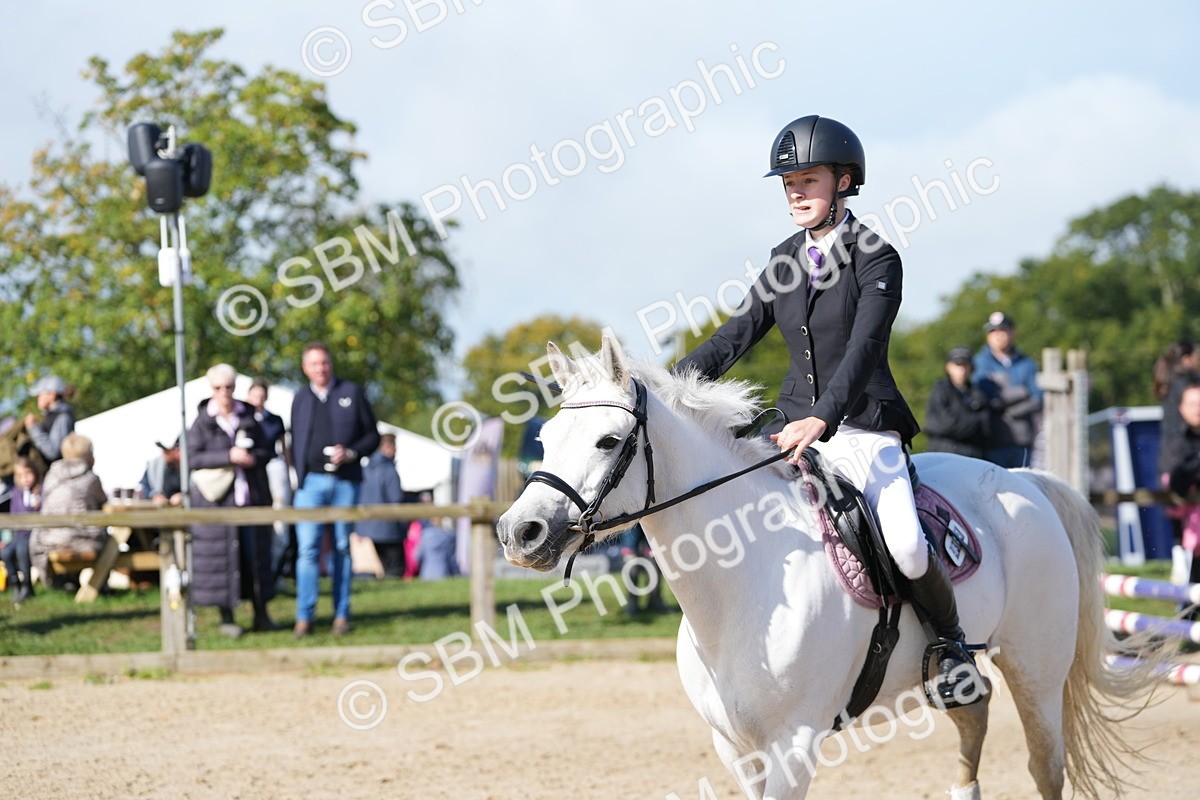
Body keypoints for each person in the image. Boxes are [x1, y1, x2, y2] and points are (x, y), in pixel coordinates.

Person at [673, 114, 983, 706]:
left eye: (808, 179)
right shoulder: (784, 258)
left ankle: (950, 648)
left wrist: (825, 416)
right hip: (793, 430)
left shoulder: (876, 256)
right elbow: (734, 336)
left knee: (908, 544)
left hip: (864, 425)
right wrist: (667, 388)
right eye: (787, 181)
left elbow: (865, 348)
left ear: (843, 181)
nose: (794, 191)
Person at [289, 342, 380, 638]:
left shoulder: (351, 392)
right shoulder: (300, 399)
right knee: (307, 550)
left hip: (345, 482)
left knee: (342, 548)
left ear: (331, 364)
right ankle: (304, 617)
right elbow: (293, 442)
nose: (320, 368)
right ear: (305, 368)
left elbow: (373, 436)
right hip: (310, 484)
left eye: (324, 363)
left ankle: (341, 615)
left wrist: (351, 453)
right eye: (314, 364)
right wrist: (299, 476)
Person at [187, 364, 278, 637]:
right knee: (222, 561)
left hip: (251, 500)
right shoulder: (202, 421)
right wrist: (228, 456)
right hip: (217, 504)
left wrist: (253, 458)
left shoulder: (249, 417)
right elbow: (192, 458)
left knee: (256, 559)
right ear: (211, 389)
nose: (224, 393)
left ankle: (261, 614)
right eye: (218, 388)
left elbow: (267, 451)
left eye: (229, 387)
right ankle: (227, 617)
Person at [29, 433, 107, 588]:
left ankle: (66, 582)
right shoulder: (90, 478)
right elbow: (104, 502)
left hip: (48, 538)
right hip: (81, 538)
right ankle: (102, 585)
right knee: (110, 540)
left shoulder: (52, 474)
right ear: (87, 455)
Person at [972, 312, 1042, 468]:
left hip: (1021, 440)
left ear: (1012, 333)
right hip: (992, 441)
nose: (997, 336)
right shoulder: (978, 363)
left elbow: (1037, 399)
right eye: (992, 331)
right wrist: (1022, 392)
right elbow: (986, 398)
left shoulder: (1027, 363)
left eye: (1002, 330)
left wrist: (1009, 409)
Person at [1161, 382, 1200, 610]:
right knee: (1188, 582)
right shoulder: (1175, 440)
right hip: (1185, 528)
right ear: (1182, 408)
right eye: (1193, 404)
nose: (1198, 409)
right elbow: (1177, 484)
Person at [923, 346, 994, 459]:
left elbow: (986, 428)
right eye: (957, 365)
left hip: (972, 455)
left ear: (971, 367)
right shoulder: (940, 390)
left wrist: (962, 422)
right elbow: (944, 424)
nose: (961, 370)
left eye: (965, 365)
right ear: (948, 367)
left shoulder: (978, 393)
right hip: (944, 454)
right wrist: (973, 421)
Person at [358, 433, 406, 577]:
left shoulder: (366, 469)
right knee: (395, 568)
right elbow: (396, 500)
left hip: (369, 527)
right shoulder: (389, 470)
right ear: (387, 447)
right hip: (389, 528)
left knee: (383, 565)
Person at [2, 457, 43, 603]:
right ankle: (15, 584)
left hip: (34, 535)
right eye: (20, 475)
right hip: (18, 534)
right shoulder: (16, 493)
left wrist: (38, 506)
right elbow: (14, 517)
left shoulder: (40, 492)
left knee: (22, 550)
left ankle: (27, 585)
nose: (24, 478)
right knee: (5, 553)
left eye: (27, 474)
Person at [25, 374, 75, 464]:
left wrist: (33, 428)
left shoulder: (62, 416)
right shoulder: (52, 416)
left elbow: (53, 452)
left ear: (52, 395)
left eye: (40, 395)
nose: (38, 398)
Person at [137, 437, 184, 505]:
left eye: (167, 450)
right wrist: (154, 496)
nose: (164, 452)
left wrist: (183, 496)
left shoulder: (192, 466)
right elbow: (145, 486)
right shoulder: (154, 465)